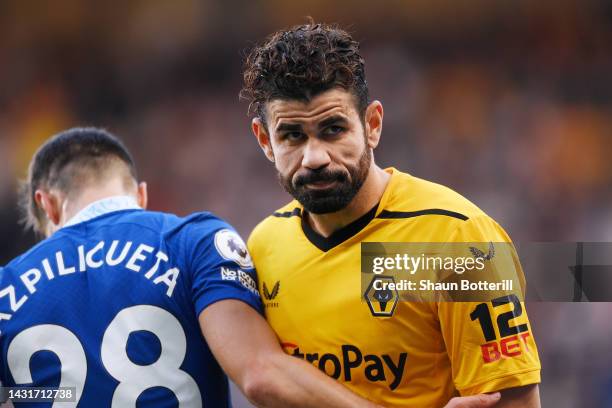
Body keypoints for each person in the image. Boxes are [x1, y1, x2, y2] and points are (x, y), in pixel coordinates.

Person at [242, 22, 542, 407]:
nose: (314, 158)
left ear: (372, 125)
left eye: (333, 129)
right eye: (292, 135)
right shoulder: (265, 246)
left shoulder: (459, 241)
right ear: (265, 140)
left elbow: (517, 403)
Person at [0, 127, 383, 407]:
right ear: (141, 195)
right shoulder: (193, 241)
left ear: (48, 206)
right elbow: (261, 371)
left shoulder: (7, 286)